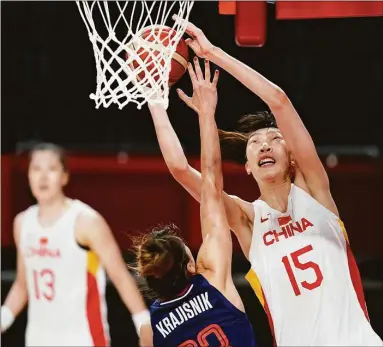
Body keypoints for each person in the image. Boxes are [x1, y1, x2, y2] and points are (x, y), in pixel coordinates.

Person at [146, 16, 383, 346]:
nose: (265, 145)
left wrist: (213, 53)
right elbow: (180, 169)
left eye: (274, 138)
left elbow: (279, 101)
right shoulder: (248, 221)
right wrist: (155, 98)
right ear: (247, 166)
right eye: (255, 143)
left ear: (293, 157)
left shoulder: (315, 193)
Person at [133, 59, 257, 347]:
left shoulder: (150, 331)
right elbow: (211, 184)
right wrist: (205, 114)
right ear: (191, 266)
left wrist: (154, 99)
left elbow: (186, 173)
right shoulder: (213, 280)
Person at [1, 143, 151, 347]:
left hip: (83, 340)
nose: (43, 176)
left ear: (64, 177)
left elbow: (120, 277)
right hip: (37, 339)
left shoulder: (85, 221)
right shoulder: (22, 223)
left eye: (51, 169)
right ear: (28, 176)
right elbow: (22, 285)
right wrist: (3, 319)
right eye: (36, 169)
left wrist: (144, 324)